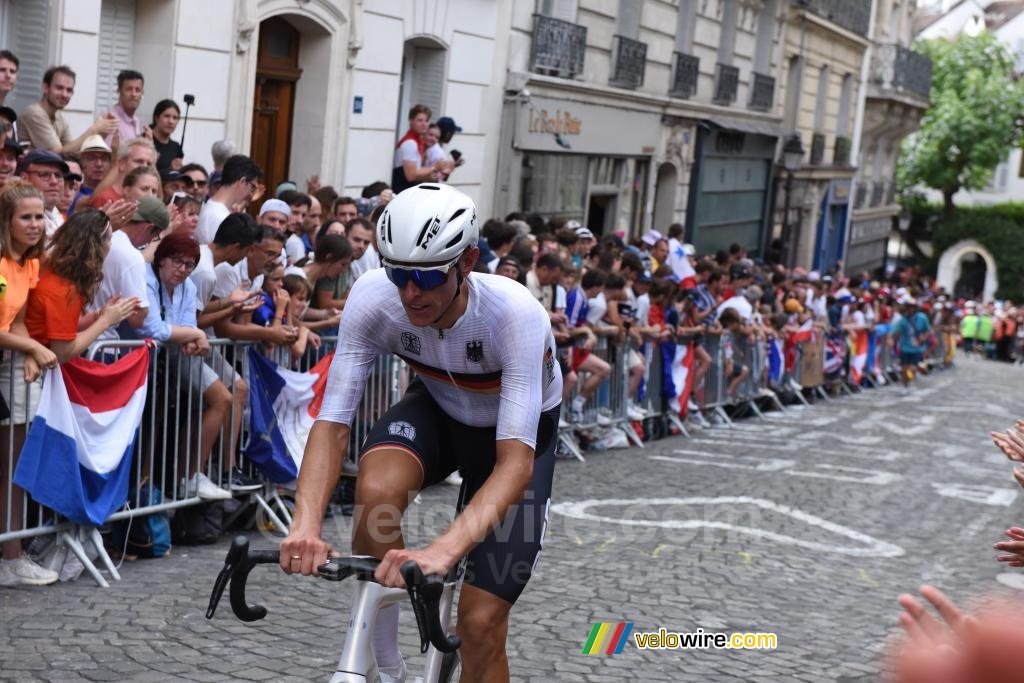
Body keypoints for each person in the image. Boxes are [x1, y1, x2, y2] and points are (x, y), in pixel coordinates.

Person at [281, 184, 561, 682]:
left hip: (514, 440)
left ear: (468, 261)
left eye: (428, 276)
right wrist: (305, 524)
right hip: (437, 409)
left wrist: (443, 550)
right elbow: (332, 423)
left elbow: (515, 462)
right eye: (398, 274)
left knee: (477, 626)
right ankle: (386, 663)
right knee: (375, 489)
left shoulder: (513, 315)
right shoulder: (374, 298)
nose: (410, 292)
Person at [137, 233, 232, 501]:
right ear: (161, 259)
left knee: (220, 398)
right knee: (146, 426)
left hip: (172, 357)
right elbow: (153, 328)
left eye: (189, 264)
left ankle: (189, 478)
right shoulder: (145, 276)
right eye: (177, 261)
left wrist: (192, 337)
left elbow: (188, 325)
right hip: (138, 361)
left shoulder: (187, 286)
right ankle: (143, 489)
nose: (182, 269)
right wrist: (194, 336)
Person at [0, 181, 59, 587]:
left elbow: (16, 317)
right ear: (7, 221)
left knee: (13, 465)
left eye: (39, 216)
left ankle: (12, 555)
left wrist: (27, 350)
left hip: (8, 362)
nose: (36, 224)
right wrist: (33, 349)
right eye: (27, 217)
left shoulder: (30, 263)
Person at [25, 209, 139, 361]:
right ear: (95, 247)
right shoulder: (64, 289)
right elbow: (63, 352)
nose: (110, 246)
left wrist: (98, 316)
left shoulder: (54, 270)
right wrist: (105, 321)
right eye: (109, 240)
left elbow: (61, 325)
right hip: (28, 369)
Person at [18, 65, 118, 154]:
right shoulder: (34, 113)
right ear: (45, 88)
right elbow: (57, 153)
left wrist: (101, 133)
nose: (64, 94)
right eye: (59, 88)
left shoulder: (60, 118)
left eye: (69, 90)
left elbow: (76, 153)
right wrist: (94, 129)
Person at [195, 155, 262, 245]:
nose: (251, 193)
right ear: (242, 182)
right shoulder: (218, 216)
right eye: (252, 187)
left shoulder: (216, 210)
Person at [391, 104, 446, 193]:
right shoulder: (410, 143)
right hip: (402, 193)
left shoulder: (417, 141)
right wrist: (434, 168)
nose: (424, 124)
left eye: (427, 121)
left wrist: (429, 176)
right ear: (411, 121)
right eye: (420, 120)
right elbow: (411, 176)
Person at [17, 149, 67, 239]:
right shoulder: (12, 219)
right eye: (44, 175)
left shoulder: (64, 219)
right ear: (24, 179)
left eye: (58, 175)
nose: (54, 181)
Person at [107, 69, 147, 145]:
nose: (133, 94)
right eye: (129, 89)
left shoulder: (136, 121)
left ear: (142, 93)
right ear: (119, 91)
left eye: (137, 90)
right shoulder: (111, 121)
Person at [151, 99, 184, 171]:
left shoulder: (176, 147)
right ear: (156, 118)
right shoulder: (144, 141)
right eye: (166, 116)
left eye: (175, 118)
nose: (171, 121)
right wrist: (169, 169)